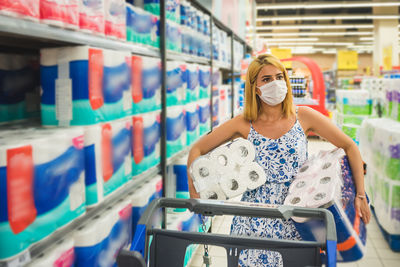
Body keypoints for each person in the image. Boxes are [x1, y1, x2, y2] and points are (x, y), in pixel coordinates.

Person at [186, 54, 371, 266]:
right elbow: (197, 150)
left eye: (279, 76)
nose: (275, 83)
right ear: (255, 88)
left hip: (298, 218)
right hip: (252, 223)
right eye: (266, 80)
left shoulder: (304, 116)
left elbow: (349, 146)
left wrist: (360, 194)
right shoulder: (243, 123)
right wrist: (196, 197)